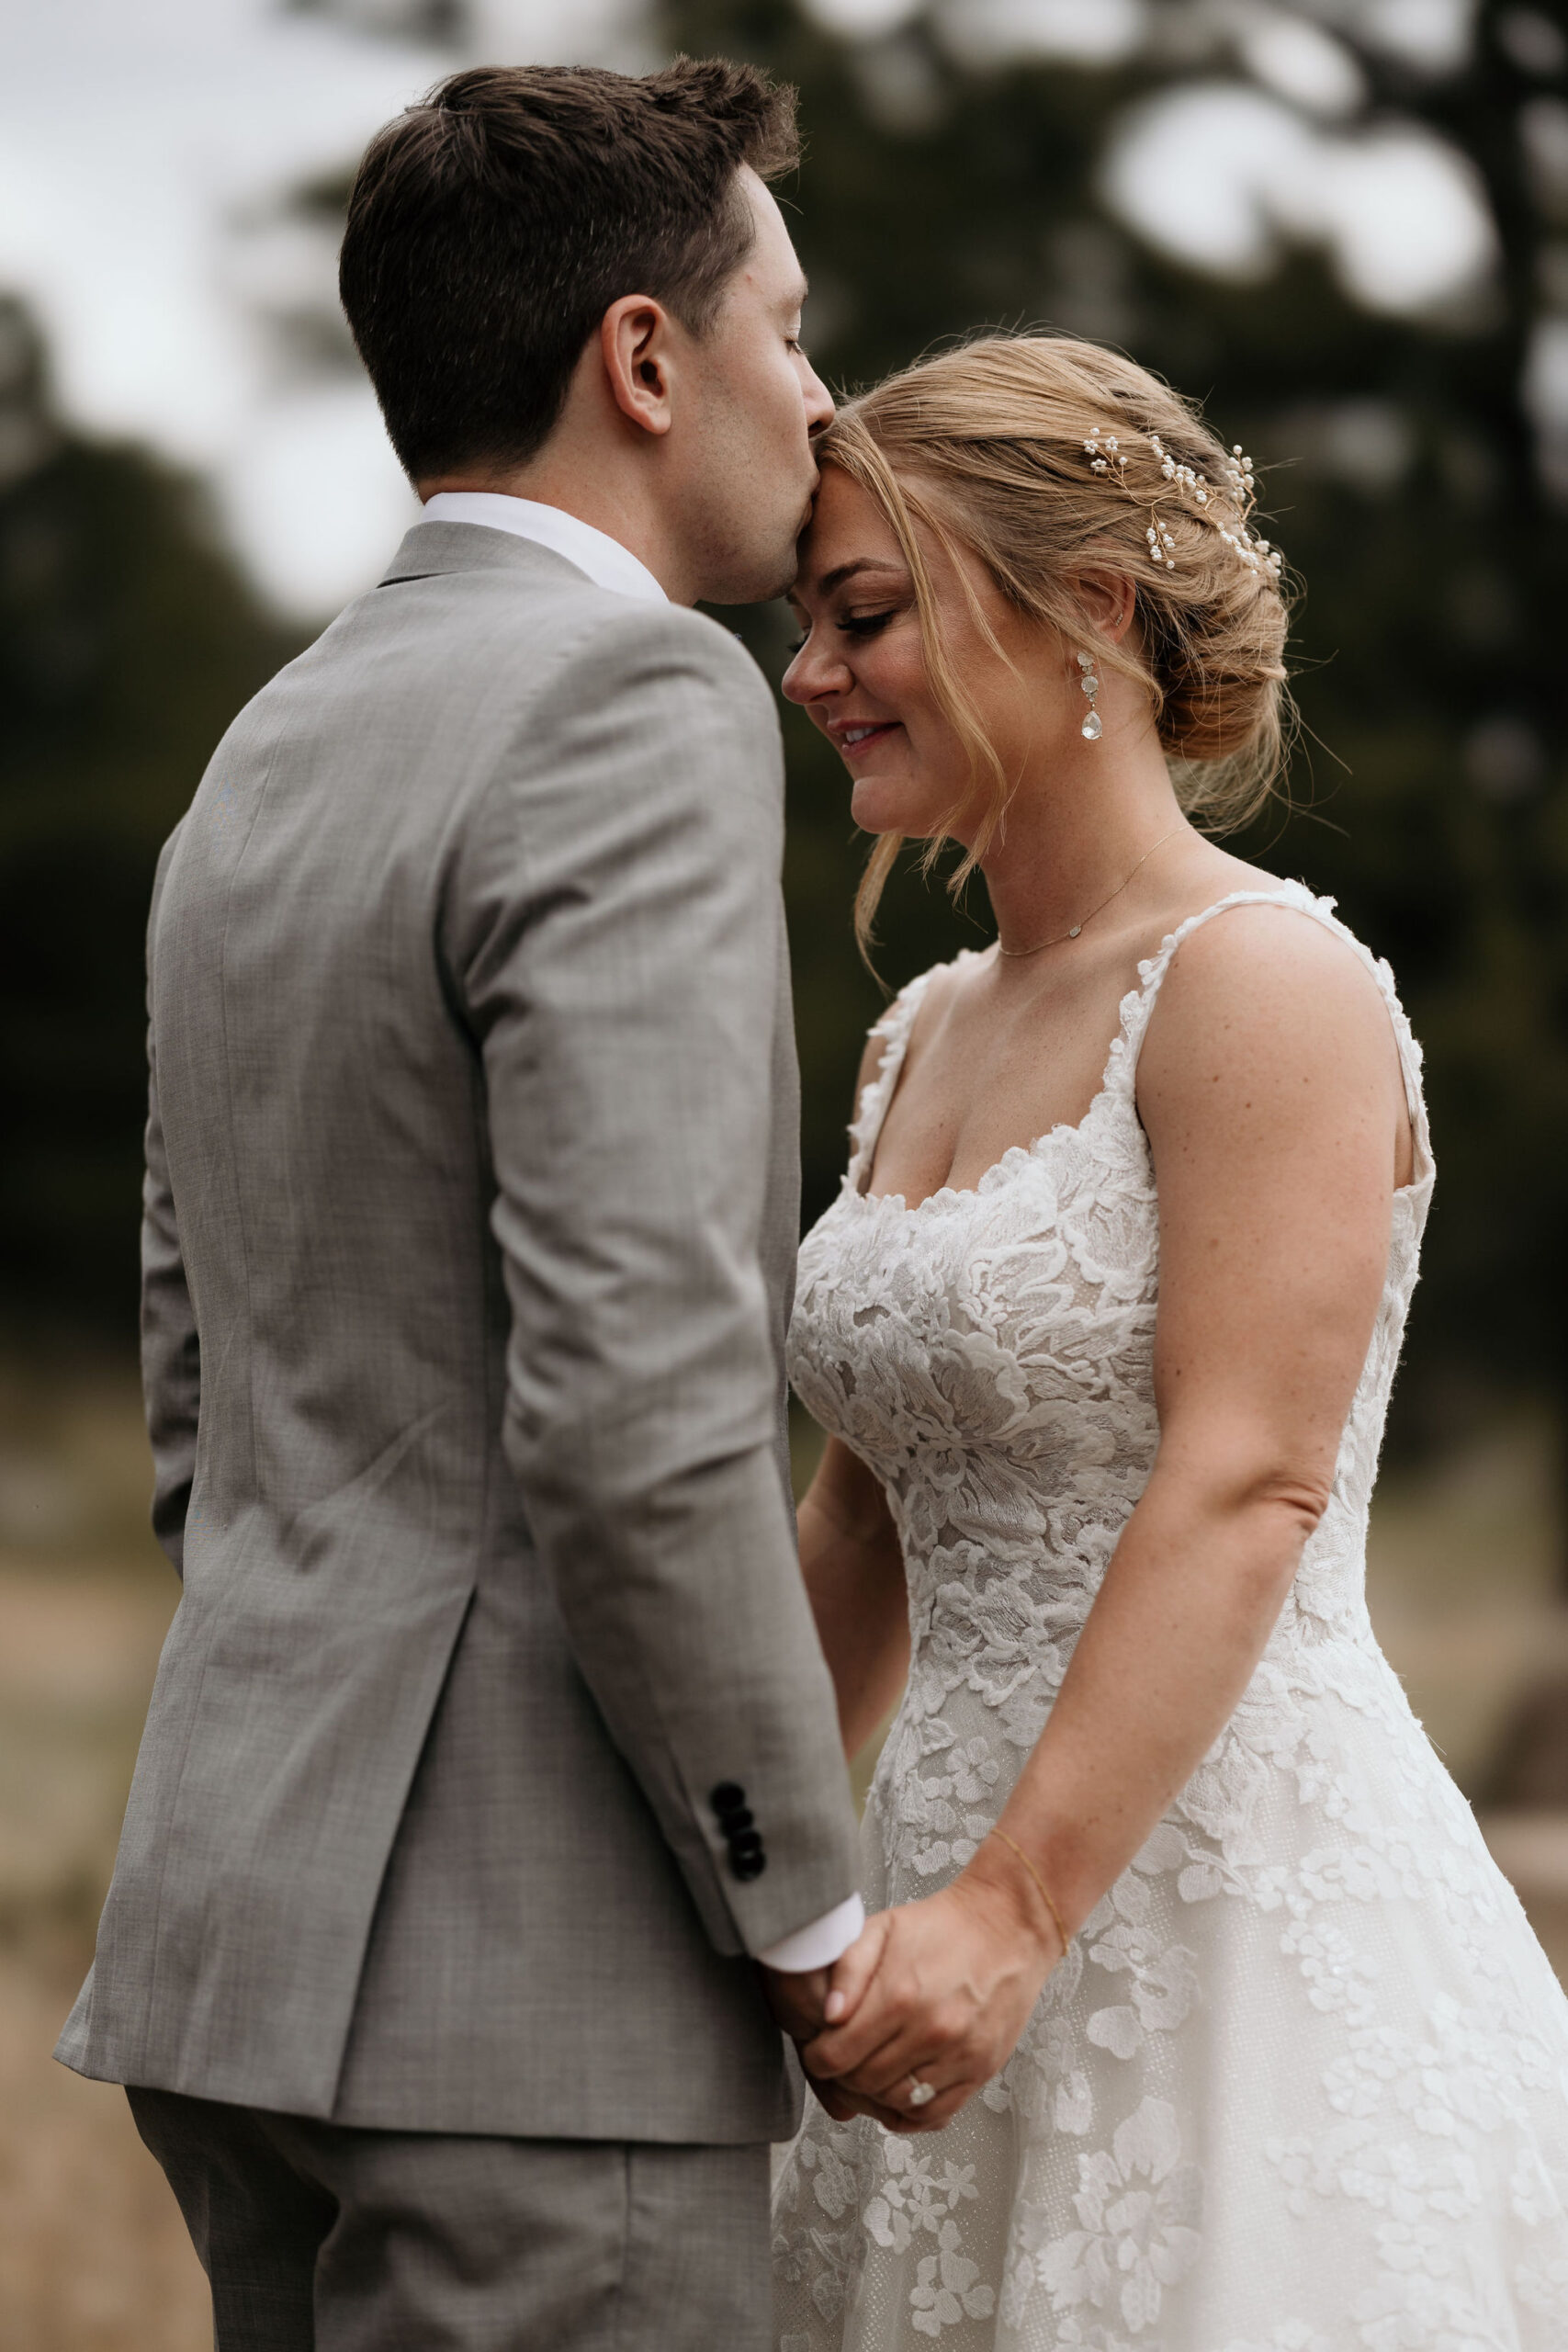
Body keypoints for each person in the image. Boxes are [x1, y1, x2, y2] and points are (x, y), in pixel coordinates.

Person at [54, 60, 871, 2351]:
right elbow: (638, 1399)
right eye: (786, 331)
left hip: (238, 1933)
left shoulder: (272, 740)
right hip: (535, 2014)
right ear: (641, 357)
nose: (813, 400)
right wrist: (791, 1904)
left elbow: (197, 1374)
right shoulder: (632, 697)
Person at [771, 334, 1568, 2346]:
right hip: (918, 1909)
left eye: (862, 611)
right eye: (805, 623)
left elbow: (1248, 1480)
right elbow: (860, 1525)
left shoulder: (1263, 983)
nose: (810, 674)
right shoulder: (915, 1028)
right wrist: (737, 1859)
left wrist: (1013, 1911)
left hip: (1212, 1906)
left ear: (1089, 614)